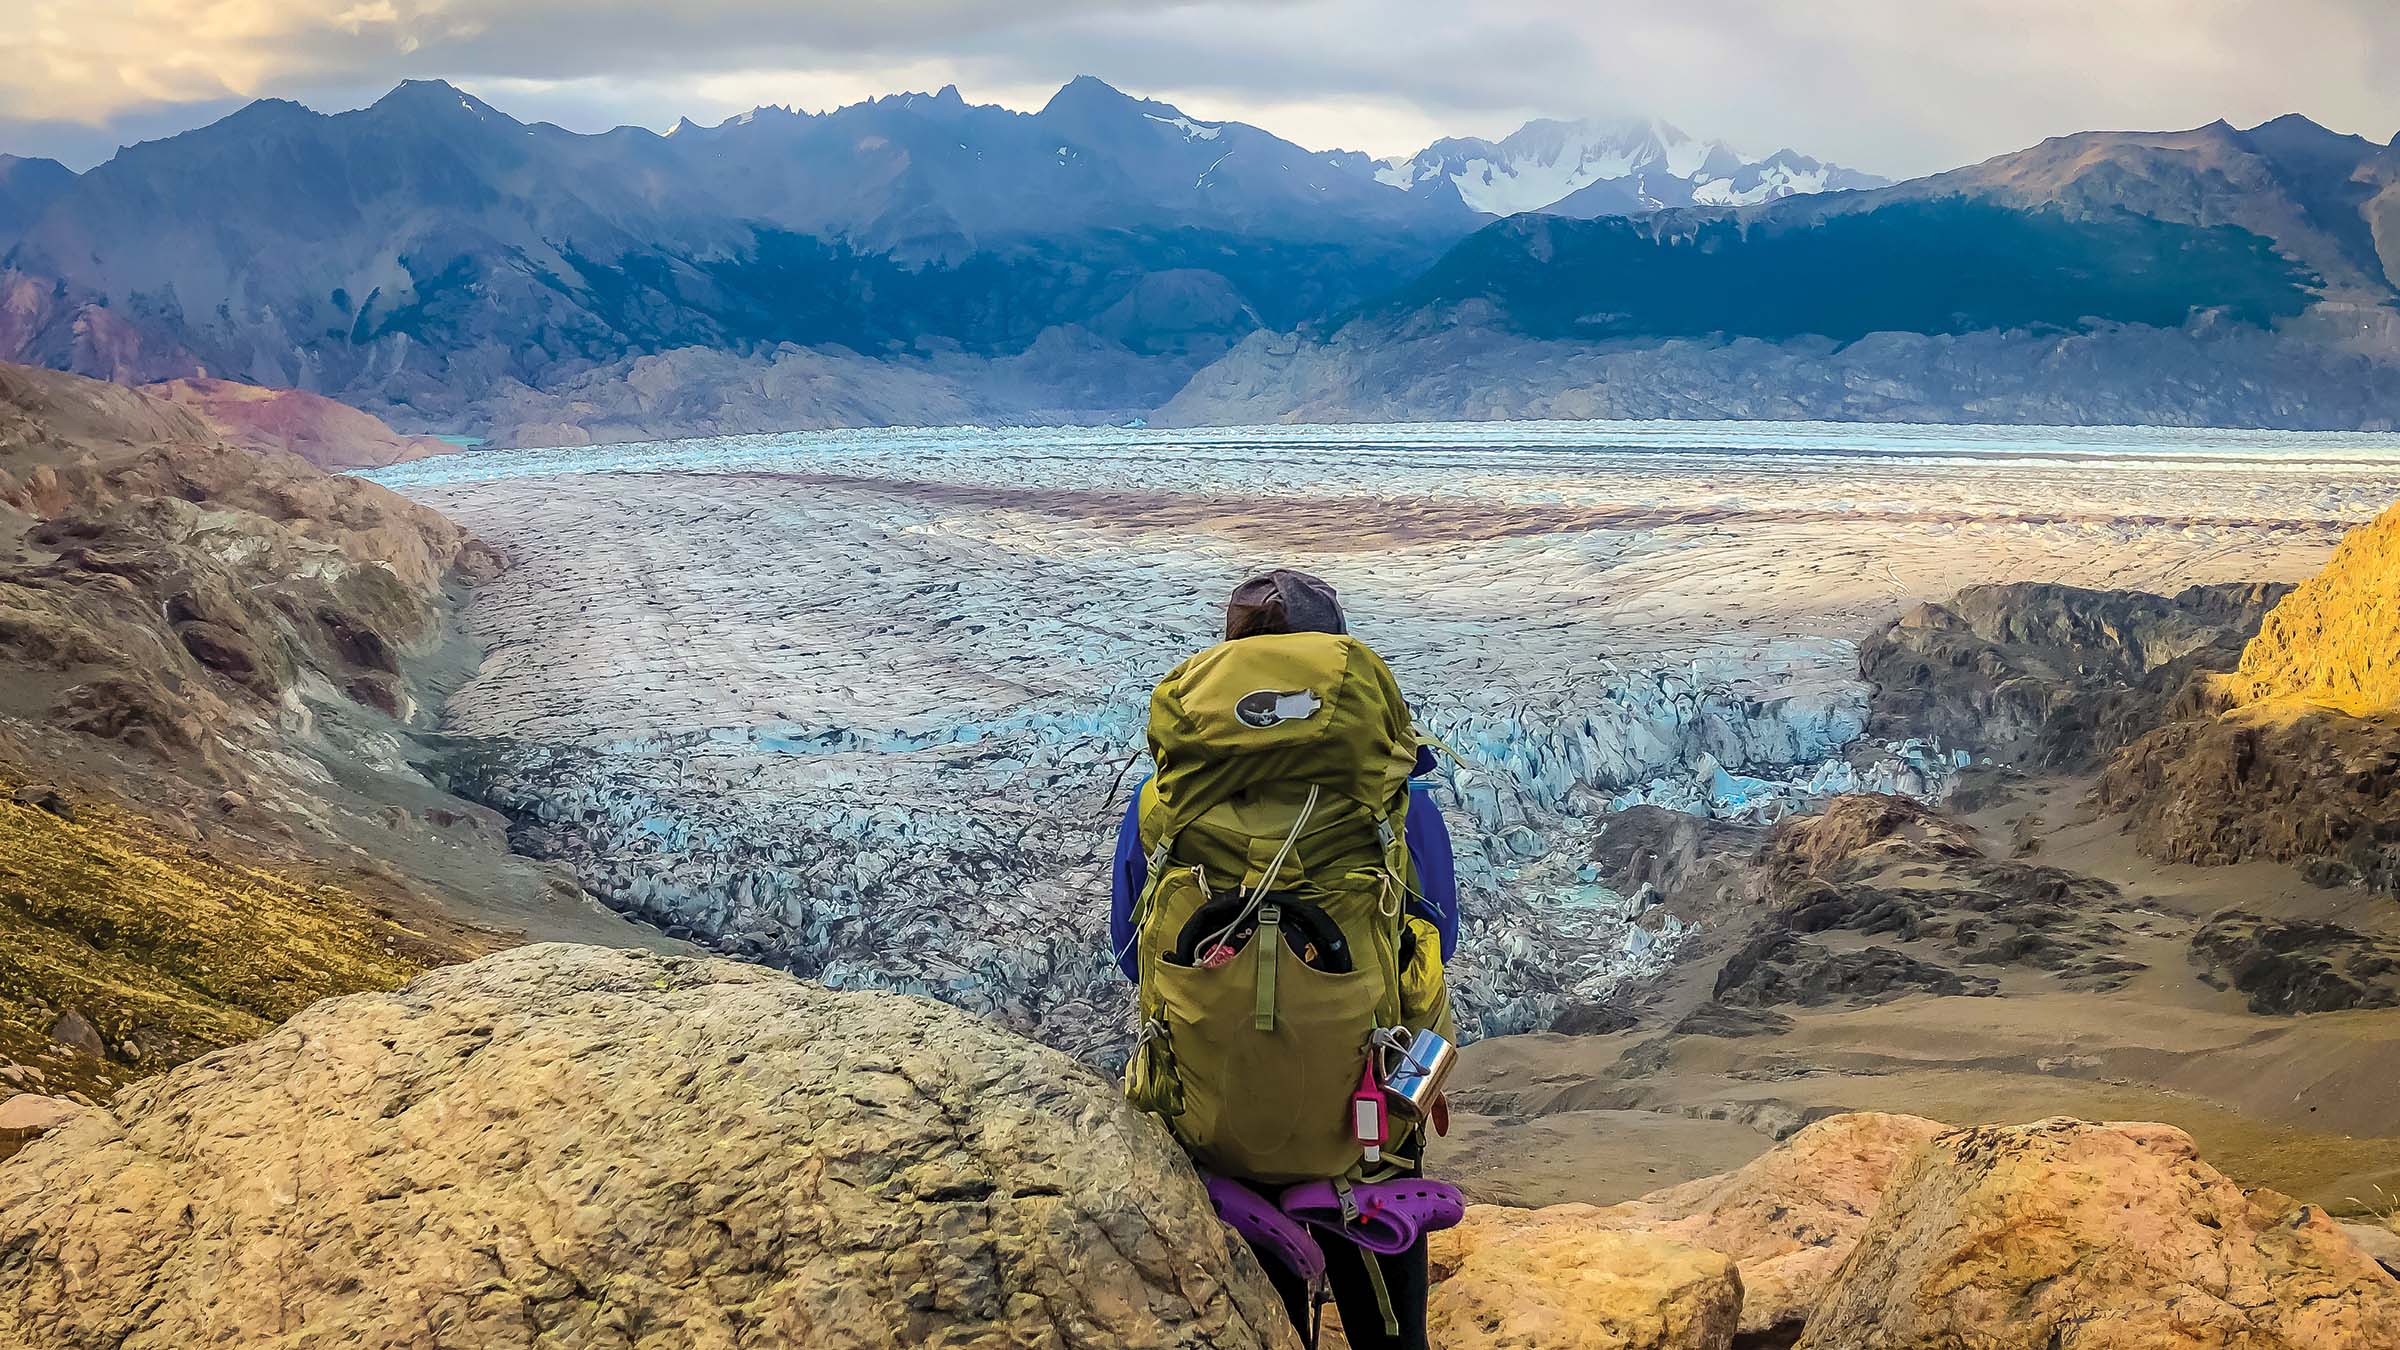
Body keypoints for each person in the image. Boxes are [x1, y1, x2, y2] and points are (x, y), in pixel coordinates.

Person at [1110, 568, 1459, 1350]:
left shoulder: (1161, 805)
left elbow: (1132, 950)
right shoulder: (1395, 799)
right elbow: (1437, 934)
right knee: (1389, 1328)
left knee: (1255, 1324)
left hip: (1215, 1114)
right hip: (1363, 1119)